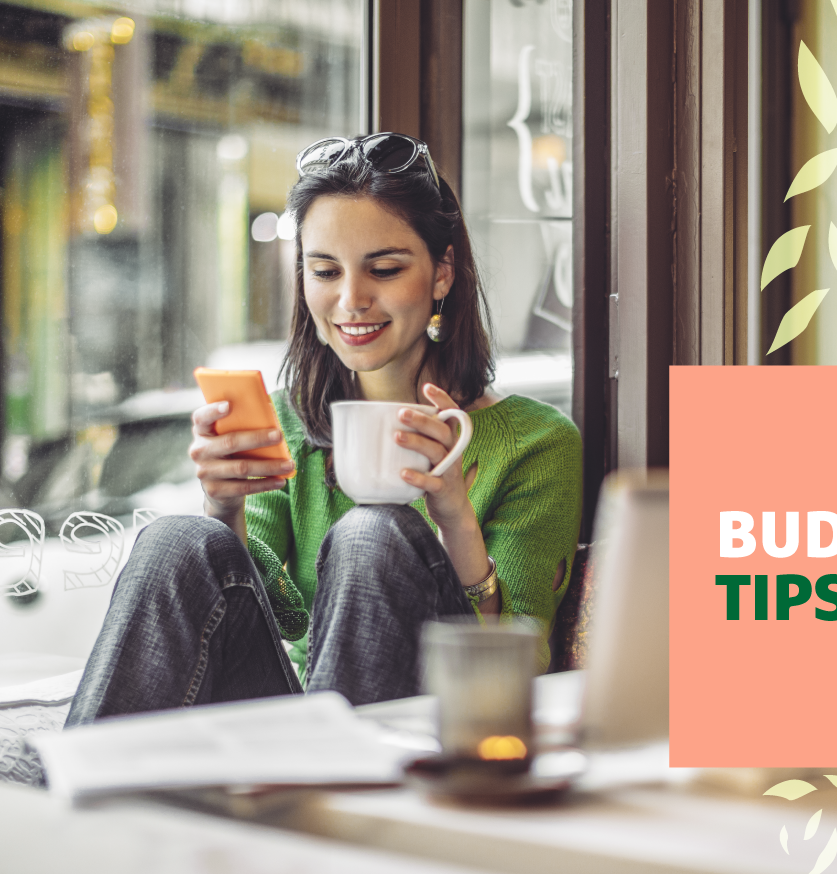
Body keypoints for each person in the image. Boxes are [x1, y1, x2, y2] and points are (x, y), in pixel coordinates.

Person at [66, 134, 583, 725]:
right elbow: (281, 614)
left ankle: (338, 793)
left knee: (373, 532)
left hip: (428, 724)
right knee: (177, 538)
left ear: (442, 273)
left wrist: (455, 519)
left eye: (384, 269)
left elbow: (515, 665)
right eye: (325, 271)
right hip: (295, 719)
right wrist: (224, 509)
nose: (351, 300)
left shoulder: (536, 442)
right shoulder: (289, 418)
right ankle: (73, 795)